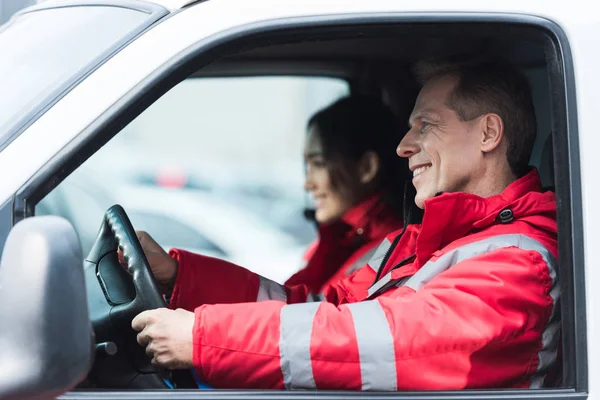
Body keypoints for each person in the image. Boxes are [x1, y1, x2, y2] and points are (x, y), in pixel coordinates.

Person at [130, 58, 559, 390]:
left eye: (425, 126)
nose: (403, 146)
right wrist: (182, 277)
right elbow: (319, 308)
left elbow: (387, 342)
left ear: (488, 134)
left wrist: (206, 336)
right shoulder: (416, 242)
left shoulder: (521, 263)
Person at [285, 95, 408, 294]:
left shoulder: (391, 253)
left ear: (366, 167)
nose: (308, 184)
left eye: (318, 164)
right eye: (308, 166)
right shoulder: (334, 243)